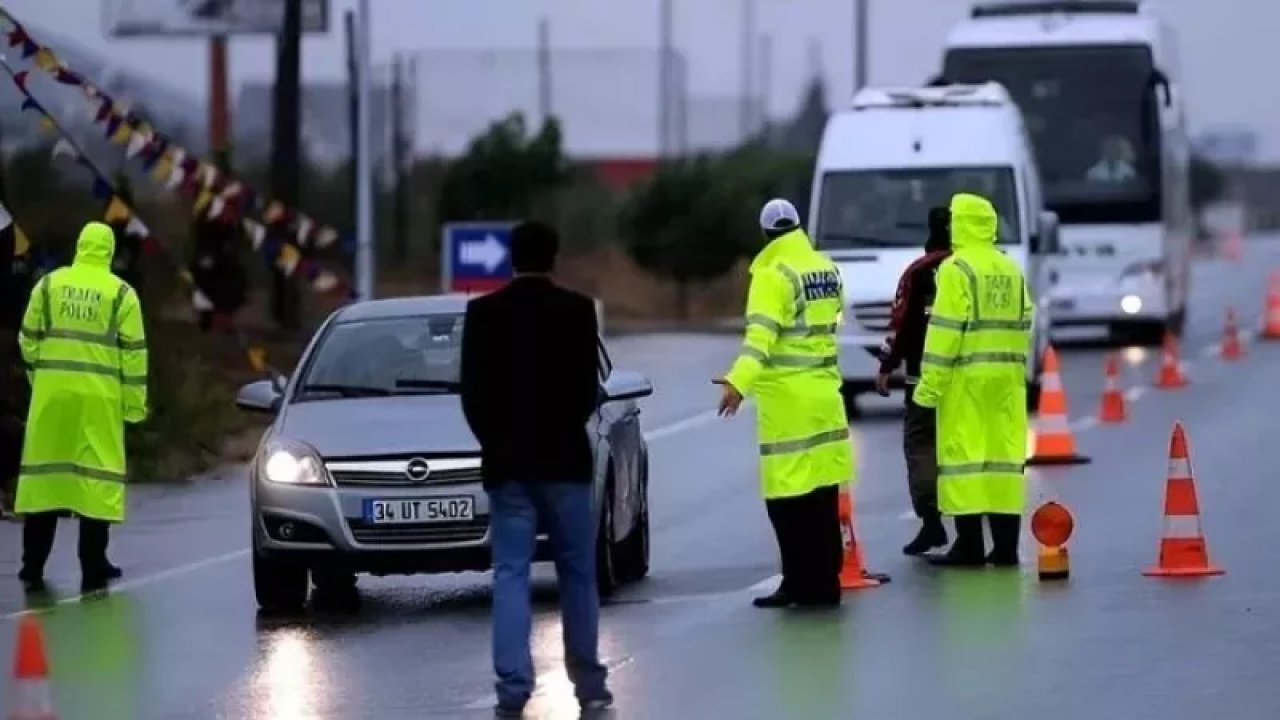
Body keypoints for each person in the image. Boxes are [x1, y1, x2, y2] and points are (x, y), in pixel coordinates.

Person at [458, 219, 612, 717]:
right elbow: (587, 392)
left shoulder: (483, 315)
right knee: (578, 574)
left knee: (510, 574)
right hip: (565, 461)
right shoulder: (577, 311)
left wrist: (497, 442)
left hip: (508, 467)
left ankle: (513, 687)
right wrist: (563, 427)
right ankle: (589, 684)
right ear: (554, 257)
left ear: (511, 257)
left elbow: (473, 396)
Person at [715, 198, 853, 609]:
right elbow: (831, 325)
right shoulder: (826, 267)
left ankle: (798, 584)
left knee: (786, 500)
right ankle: (826, 585)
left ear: (765, 234)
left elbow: (761, 339)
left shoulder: (772, 274)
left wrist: (737, 383)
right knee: (824, 495)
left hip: (789, 404)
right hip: (826, 396)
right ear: (797, 226)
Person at [15, 221, 148, 593]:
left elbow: (27, 338)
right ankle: (93, 566)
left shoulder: (49, 285)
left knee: (45, 480)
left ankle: (31, 566)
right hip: (99, 400)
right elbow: (135, 357)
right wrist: (134, 408)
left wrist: (39, 377)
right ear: (107, 250)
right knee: (96, 480)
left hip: (51, 397)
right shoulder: (121, 294)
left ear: (79, 246)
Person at [913, 193, 1032, 567]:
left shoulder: (956, 269)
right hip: (1008, 379)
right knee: (1002, 459)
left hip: (966, 379)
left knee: (965, 459)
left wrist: (928, 387)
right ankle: (1006, 546)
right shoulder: (1009, 267)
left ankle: (969, 545)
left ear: (960, 224)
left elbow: (944, 332)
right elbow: (1026, 319)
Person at [875, 206, 952, 556]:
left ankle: (932, 522)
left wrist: (888, 365)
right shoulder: (977, 269)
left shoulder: (919, 273)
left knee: (922, 447)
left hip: (922, 377)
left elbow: (902, 324)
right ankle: (976, 529)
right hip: (969, 381)